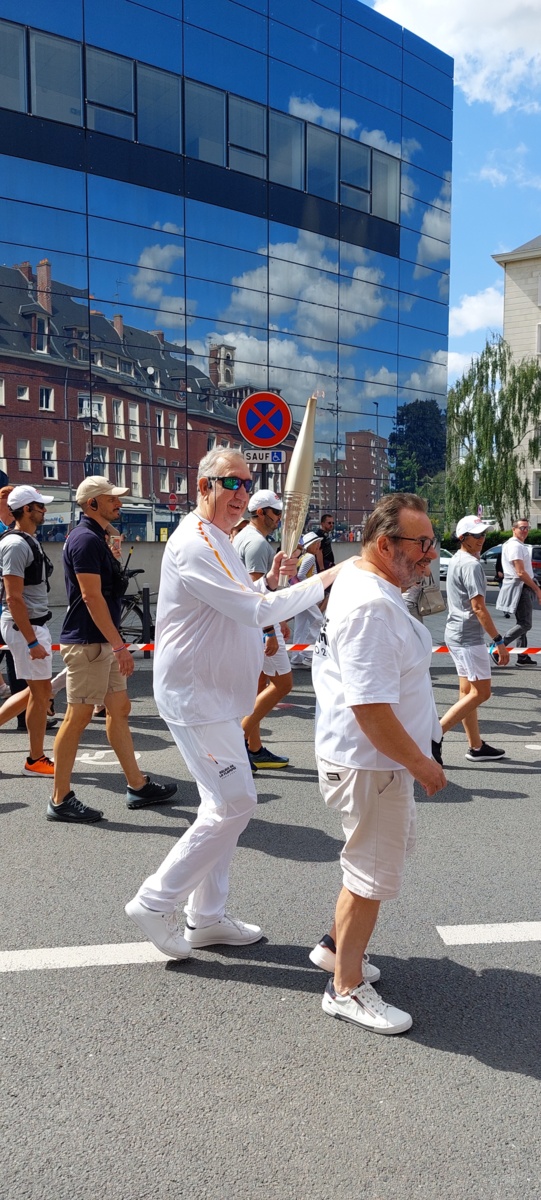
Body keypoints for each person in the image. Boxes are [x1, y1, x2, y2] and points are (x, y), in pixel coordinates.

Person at [125, 448, 340, 961]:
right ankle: (156, 901)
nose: (242, 493)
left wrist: (272, 579)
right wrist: (326, 579)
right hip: (197, 698)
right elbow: (254, 611)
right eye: (231, 483)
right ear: (204, 486)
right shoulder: (195, 543)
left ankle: (207, 917)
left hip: (215, 696)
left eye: (248, 483)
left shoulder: (217, 538)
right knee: (237, 802)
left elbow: (245, 598)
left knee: (221, 805)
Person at [310, 492, 446, 1035]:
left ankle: (334, 947)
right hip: (372, 761)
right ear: (384, 544)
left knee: (369, 860)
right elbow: (369, 709)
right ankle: (344, 989)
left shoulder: (368, 587)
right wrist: (422, 764)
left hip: (369, 760)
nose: (430, 556)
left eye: (432, 544)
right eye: (422, 545)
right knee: (370, 872)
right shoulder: (368, 604)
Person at [49, 476, 178, 824]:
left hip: (99, 639)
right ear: (92, 503)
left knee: (118, 708)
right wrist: (120, 645)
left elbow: (102, 591)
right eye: (111, 499)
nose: (119, 503)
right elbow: (90, 597)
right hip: (89, 641)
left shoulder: (97, 538)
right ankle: (60, 799)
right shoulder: (86, 540)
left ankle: (137, 784)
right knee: (78, 717)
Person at [440, 515, 510, 762]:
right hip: (468, 637)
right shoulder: (470, 564)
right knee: (482, 693)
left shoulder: (458, 560)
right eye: (476, 535)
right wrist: (498, 641)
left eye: (483, 534)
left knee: (467, 692)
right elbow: (479, 608)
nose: (482, 539)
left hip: (457, 634)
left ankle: (476, 746)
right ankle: (433, 736)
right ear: (463, 538)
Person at [234, 488, 292, 770]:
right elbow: (259, 593)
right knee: (283, 683)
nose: (279, 517)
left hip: (254, 624)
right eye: (275, 512)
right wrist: (271, 628)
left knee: (256, 686)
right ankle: (238, 742)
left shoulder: (245, 536)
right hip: (260, 625)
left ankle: (253, 748)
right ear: (260, 512)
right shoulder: (257, 543)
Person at [0, 485, 55, 776]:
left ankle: (36, 758)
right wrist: (32, 641)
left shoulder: (26, 539)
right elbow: (13, 597)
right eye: (39, 505)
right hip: (27, 628)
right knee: (40, 692)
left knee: (38, 690)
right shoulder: (16, 545)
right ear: (25, 509)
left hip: (31, 626)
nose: (44, 509)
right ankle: (35, 760)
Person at [497, 517, 541, 665]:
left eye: (527, 528)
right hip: (521, 587)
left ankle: (522, 656)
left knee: (522, 623)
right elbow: (520, 572)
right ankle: (498, 646)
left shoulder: (514, 545)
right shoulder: (515, 546)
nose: (525, 530)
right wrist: (537, 589)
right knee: (525, 624)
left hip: (520, 586)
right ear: (514, 529)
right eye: (522, 528)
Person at [290, 532, 325, 667]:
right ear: (311, 544)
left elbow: (298, 575)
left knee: (300, 627)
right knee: (319, 621)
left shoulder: (304, 556)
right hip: (306, 595)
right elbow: (301, 575)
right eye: (317, 543)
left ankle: (296, 658)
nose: (319, 546)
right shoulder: (310, 557)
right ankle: (307, 655)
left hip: (300, 595)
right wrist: (311, 588)